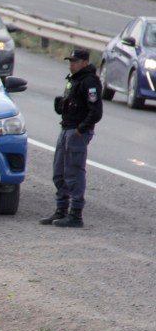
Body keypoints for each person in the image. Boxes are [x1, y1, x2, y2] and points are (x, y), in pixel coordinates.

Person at [40, 48, 103, 228]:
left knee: (74, 172)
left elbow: (96, 111)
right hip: (66, 127)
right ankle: (61, 210)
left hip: (76, 131)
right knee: (59, 172)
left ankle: (76, 214)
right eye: (70, 61)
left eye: (74, 61)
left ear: (84, 62)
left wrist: (81, 129)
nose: (71, 64)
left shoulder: (89, 82)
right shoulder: (72, 79)